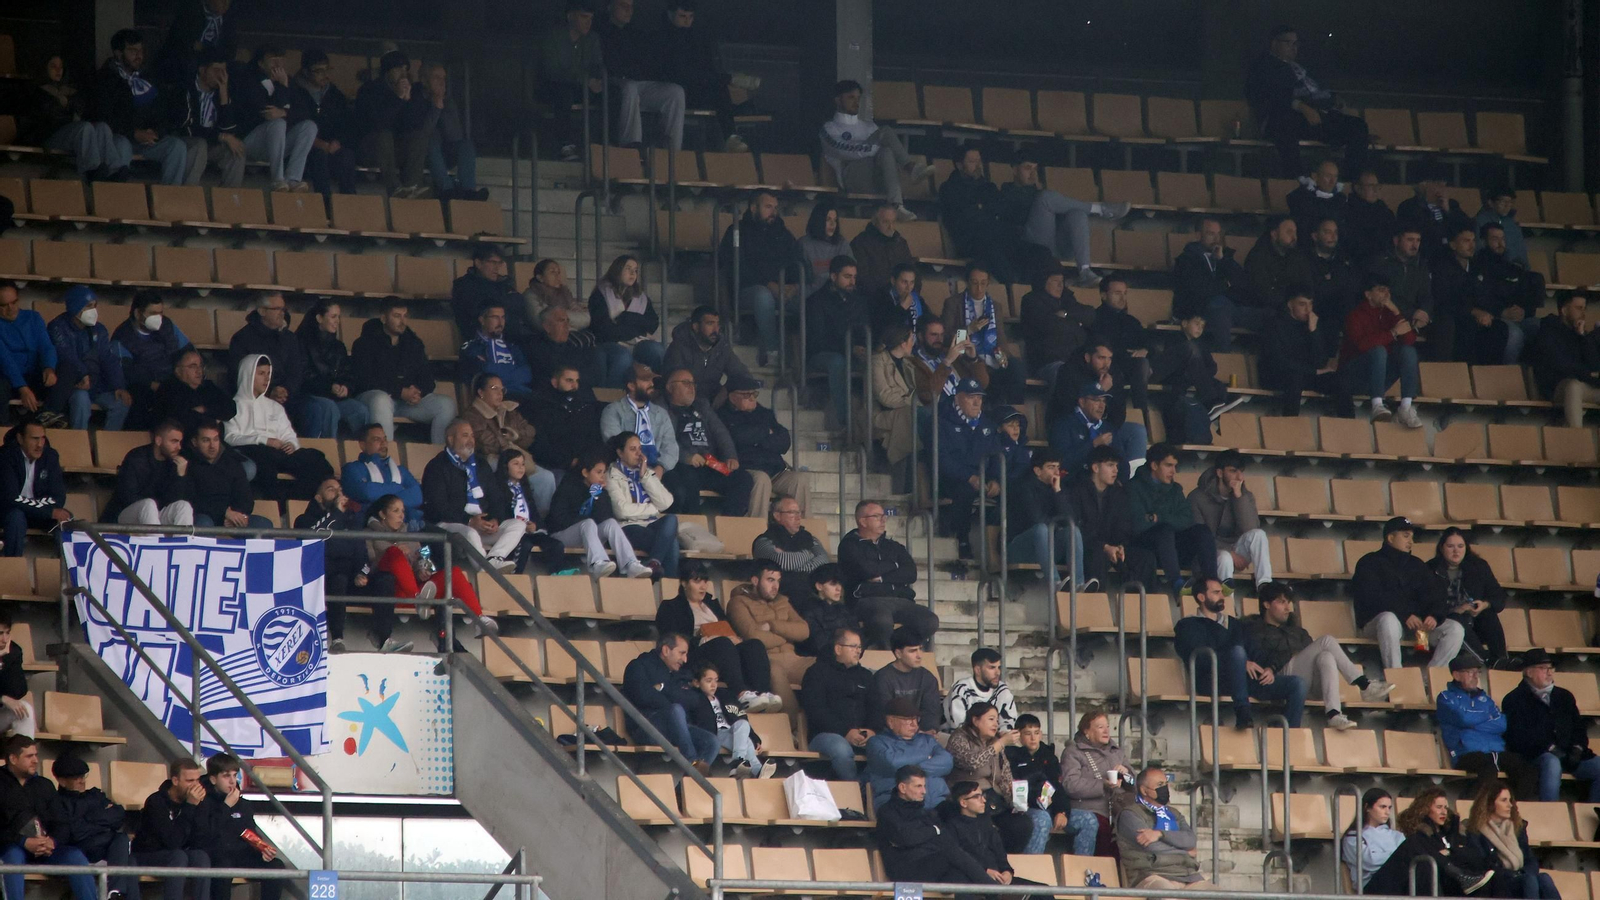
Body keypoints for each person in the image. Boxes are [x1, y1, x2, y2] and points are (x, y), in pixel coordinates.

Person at [1246, 581, 1394, 730]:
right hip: (1278, 677)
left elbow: (1310, 652)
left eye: (1288, 603)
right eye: (1281, 602)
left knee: (1326, 656)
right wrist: (1276, 664)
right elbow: (1260, 658)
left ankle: (1334, 714)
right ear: (1266, 605)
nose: (1287, 608)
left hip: (1308, 683)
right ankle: (1364, 685)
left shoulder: (1297, 631)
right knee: (1326, 641)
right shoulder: (1255, 629)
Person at [1176, 576, 1303, 729]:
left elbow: (1255, 651)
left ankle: (1289, 736)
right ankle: (1243, 713)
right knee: (1237, 652)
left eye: (1222, 593)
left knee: (1297, 684)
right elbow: (1196, 657)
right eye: (1216, 593)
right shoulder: (1188, 625)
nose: (1222, 596)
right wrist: (1238, 660)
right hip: (1213, 680)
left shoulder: (1235, 624)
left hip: (1247, 680)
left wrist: (1270, 668)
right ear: (1201, 597)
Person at [297, 476, 406, 654]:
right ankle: (337, 639)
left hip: (352, 582)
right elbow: (314, 537)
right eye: (331, 489)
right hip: (323, 582)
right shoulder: (304, 520)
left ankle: (384, 639)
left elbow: (362, 553)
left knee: (385, 579)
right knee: (338, 578)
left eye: (340, 490)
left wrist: (361, 573)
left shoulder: (351, 520)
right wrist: (337, 514)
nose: (338, 493)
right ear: (318, 498)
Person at [364, 493, 488, 648]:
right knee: (393, 554)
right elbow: (368, 563)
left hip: (416, 593)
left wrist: (423, 570)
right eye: (395, 511)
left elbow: (426, 561)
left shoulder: (412, 536)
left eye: (402, 511)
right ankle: (418, 600)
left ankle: (479, 618)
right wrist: (394, 549)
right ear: (382, 514)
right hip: (390, 591)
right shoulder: (367, 533)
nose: (401, 516)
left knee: (453, 573)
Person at [1244, 25, 1369, 177]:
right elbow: (1267, 96)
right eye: (1288, 43)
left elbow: (1315, 90)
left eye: (1296, 43)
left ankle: (1353, 181)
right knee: (1284, 123)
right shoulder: (1264, 66)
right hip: (1285, 118)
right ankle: (1297, 181)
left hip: (1315, 116)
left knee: (1357, 126)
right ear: (1274, 43)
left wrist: (1333, 98)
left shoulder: (1300, 67)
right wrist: (1301, 107)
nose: (1293, 48)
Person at [656, 560, 779, 710]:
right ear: (684, 583)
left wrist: (734, 638)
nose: (703, 586)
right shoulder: (671, 607)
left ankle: (762, 695)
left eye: (705, 581)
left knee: (754, 645)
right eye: (697, 581)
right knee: (722, 644)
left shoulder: (712, 604)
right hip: (695, 654)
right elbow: (672, 639)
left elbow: (726, 626)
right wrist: (703, 639)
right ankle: (742, 693)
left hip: (722, 649)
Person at [1353, 516, 1465, 668]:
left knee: (1455, 629)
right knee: (1389, 619)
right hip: (1377, 625)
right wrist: (1404, 614)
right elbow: (1372, 598)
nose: (1410, 541)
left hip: (1416, 628)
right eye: (1405, 536)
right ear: (1391, 537)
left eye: (1412, 537)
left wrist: (1433, 615)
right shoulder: (1369, 562)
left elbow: (1435, 594)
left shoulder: (1417, 565)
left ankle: (1429, 679)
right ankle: (1397, 676)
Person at [87, 30, 192, 186]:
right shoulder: (105, 78)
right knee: (122, 144)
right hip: (121, 136)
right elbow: (103, 117)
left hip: (147, 140)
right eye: (132, 50)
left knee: (176, 147)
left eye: (141, 50)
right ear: (118, 53)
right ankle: (121, 198)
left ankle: (169, 200)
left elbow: (163, 112)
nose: (139, 55)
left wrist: (157, 131)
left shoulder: (148, 78)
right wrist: (133, 133)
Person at [422, 419, 527, 573]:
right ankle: (487, 571)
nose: (471, 440)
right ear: (451, 439)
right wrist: (469, 520)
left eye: (472, 436)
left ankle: (494, 559)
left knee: (518, 525)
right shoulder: (437, 466)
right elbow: (437, 507)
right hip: (449, 525)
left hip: (481, 526)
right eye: (465, 435)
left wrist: (495, 519)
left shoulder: (481, 464)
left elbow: (496, 497)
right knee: (470, 532)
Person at [0, 736, 97, 900]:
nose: (35, 760)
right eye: (29, 756)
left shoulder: (44, 785)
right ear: (13, 759)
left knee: (75, 856)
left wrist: (52, 841)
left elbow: (62, 823)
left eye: (36, 755)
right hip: (12, 846)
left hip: (46, 848)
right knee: (13, 857)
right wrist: (24, 842)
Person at [222, 355, 334, 497]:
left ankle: (305, 501)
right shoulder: (233, 406)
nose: (267, 378)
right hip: (253, 451)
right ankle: (276, 504)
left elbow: (288, 434)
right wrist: (264, 440)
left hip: (279, 452)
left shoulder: (275, 406)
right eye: (261, 374)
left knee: (315, 458)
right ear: (247, 375)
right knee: (264, 460)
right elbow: (230, 437)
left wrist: (291, 444)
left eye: (269, 374)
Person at [946, 702, 1051, 854]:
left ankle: (1008, 865)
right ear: (975, 720)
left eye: (997, 720)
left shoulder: (995, 743)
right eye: (991, 719)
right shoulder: (960, 737)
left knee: (1022, 824)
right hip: (968, 800)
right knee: (985, 827)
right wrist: (1000, 744)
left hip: (995, 800)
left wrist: (1014, 801)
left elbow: (1005, 776)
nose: (996, 724)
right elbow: (972, 762)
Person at [1008, 159, 1130, 287]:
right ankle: (1100, 209)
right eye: (1028, 168)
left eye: (1035, 169)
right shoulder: (1006, 193)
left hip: (1059, 246)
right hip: (1033, 247)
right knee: (1045, 197)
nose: (1033, 174)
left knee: (1077, 214)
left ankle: (1084, 270)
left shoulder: (1038, 192)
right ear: (1015, 170)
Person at [350, 299, 458, 444]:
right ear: (383, 318)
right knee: (380, 400)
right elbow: (365, 379)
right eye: (396, 316)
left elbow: (427, 377)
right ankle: (385, 457)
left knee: (446, 405)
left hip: (407, 402)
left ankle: (439, 455)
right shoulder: (365, 343)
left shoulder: (414, 343)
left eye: (405, 315)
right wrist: (399, 390)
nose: (402, 321)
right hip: (374, 398)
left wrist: (417, 391)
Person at [656, 1, 758, 153]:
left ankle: (731, 134)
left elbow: (705, 68)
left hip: (699, 88)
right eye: (682, 16)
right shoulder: (663, 38)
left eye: (690, 17)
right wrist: (728, 79)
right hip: (675, 92)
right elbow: (680, 74)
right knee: (719, 89)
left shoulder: (696, 38)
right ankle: (730, 135)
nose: (686, 21)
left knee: (720, 91)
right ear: (670, 14)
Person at [821, 81, 930, 221]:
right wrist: (874, 147)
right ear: (837, 100)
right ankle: (910, 167)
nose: (856, 102)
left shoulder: (869, 126)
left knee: (887, 152)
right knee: (885, 134)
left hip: (878, 179)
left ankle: (896, 206)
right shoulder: (829, 128)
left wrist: (875, 147)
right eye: (851, 97)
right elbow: (843, 150)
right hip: (851, 177)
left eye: (858, 98)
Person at [1502, 650, 1600, 803]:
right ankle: (1550, 810)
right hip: (1537, 755)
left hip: (1571, 755)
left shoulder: (1564, 696)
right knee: (1552, 764)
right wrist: (1550, 748)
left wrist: (1577, 748)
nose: (1549, 673)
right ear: (1528, 672)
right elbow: (1519, 737)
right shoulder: (1514, 699)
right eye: (1543, 668)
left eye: (1550, 668)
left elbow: (1579, 728)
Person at [838, 501, 939, 648]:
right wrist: (894, 565)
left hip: (900, 599)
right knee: (882, 621)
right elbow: (867, 570)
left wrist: (881, 577)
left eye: (884, 516)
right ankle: (885, 656)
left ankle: (902, 648)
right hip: (866, 599)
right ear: (863, 521)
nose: (883, 520)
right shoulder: (849, 545)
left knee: (930, 621)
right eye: (877, 516)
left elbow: (910, 573)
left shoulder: (893, 546)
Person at [719, 191, 801, 367]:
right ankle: (773, 351)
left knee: (809, 299)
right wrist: (768, 284)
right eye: (768, 206)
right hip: (748, 291)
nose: (773, 211)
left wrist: (794, 286)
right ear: (753, 207)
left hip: (781, 291)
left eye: (775, 207)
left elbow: (797, 262)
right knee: (763, 296)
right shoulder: (737, 231)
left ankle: (805, 358)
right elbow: (736, 267)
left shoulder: (783, 233)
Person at [876, 766, 991, 888]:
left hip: (931, 865)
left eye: (924, 786)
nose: (924, 791)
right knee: (950, 855)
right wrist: (933, 830)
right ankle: (994, 890)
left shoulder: (924, 813)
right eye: (918, 786)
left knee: (960, 877)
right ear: (903, 788)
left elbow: (945, 840)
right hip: (905, 871)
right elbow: (906, 838)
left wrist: (926, 834)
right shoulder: (887, 812)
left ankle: (993, 891)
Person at [594, 0, 686, 152]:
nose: (629, 10)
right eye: (624, 6)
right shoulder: (599, 30)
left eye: (631, 6)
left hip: (638, 83)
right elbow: (605, 65)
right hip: (612, 84)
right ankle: (631, 146)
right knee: (629, 88)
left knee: (675, 92)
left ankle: (673, 152)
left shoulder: (635, 33)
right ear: (610, 6)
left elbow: (648, 63)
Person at [1365, 790, 1495, 898]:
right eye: (1382, 807)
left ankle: (1460, 875)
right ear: (1367, 808)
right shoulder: (1354, 836)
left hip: (1401, 880)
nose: (1387, 812)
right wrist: (1399, 854)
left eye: (1389, 808)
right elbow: (1370, 861)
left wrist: (1454, 828)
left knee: (1424, 862)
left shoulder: (1396, 835)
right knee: (1413, 845)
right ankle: (1458, 874)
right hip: (1375, 886)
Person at [661, 367, 754, 517]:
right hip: (682, 465)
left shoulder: (701, 406)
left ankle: (728, 525)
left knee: (743, 479)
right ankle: (694, 527)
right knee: (688, 481)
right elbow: (664, 440)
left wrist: (730, 456)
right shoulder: (661, 408)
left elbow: (720, 432)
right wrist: (686, 457)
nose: (691, 387)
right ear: (670, 387)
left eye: (693, 383)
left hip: (710, 463)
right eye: (685, 383)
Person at [621, 633, 717, 774]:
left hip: (678, 728)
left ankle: (684, 786)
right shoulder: (638, 666)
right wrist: (673, 701)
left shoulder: (680, 673)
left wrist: (663, 688)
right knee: (676, 710)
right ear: (666, 650)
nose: (685, 660)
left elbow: (694, 700)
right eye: (682, 653)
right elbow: (643, 696)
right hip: (645, 727)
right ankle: (692, 762)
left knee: (712, 741)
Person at [1127, 444, 1218, 593]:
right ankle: (1177, 583)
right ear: (1154, 465)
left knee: (1201, 530)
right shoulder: (1133, 488)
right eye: (1168, 465)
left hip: (1172, 548)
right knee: (1164, 530)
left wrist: (1158, 517)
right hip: (1145, 548)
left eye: (1175, 466)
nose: (1173, 471)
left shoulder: (1176, 489)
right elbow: (1137, 524)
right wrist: (1166, 521)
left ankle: (1212, 582)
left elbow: (1188, 519)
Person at [728, 560, 811, 721]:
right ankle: (791, 728)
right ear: (755, 580)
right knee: (775, 672)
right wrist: (788, 634)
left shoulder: (783, 601)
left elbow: (804, 631)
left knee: (825, 668)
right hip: (769, 659)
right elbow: (753, 637)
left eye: (778, 581)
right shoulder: (738, 602)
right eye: (770, 580)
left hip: (795, 660)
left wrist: (772, 625)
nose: (776, 586)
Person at [44, 754, 135, 900]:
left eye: (83, 776)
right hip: (80, 850)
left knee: (122, 840)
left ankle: (114, 894)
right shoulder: (57, 801)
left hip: (105, 847)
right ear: (62, 781)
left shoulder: (94, 794)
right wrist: (101, 819)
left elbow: (118, 815)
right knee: (124, 852)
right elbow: (74, 833)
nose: (81, 781)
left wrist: (87, 819)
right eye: (76, 778)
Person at [226, 293, 318, 437]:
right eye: (277, 309)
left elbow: (296, 370)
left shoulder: (290, 338)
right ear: (262, 311)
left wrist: (285, 390)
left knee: (318, 408)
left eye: (284, 309)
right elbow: (239, 374)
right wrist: (269, 392)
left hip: (288, 396)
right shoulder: (242, 338)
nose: (283, 313)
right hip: (256, 398)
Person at [1340, 270, 1424, 427]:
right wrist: (1392, 334)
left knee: (1409, 351)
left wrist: (1397, 312)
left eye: (1387, 290)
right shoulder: (1356, 315)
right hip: (1354, 376)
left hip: (1380, 377)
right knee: (1379, 351)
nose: (1386, 294)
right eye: (1380, 290)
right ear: (1368, 294)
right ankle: (1377, 404)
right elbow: (1362, 345)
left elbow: (1410, 339)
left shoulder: (1390, 313)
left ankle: (1406, 407)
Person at [463, 374, 556, 515]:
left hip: (513, 457)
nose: (500, 393)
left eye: (502, 389)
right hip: (488, 460)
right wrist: (507, 441)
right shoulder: (471, 415)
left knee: (546, 478)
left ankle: (540, 522)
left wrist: (515, 436)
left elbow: (530, 432)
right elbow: (485, 443)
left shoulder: (509, 411)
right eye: (494, 388)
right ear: (481, 392)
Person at [718, 374, 812, 515]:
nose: (752, 398)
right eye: (747, 395)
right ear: (733, 397)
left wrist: (757, 439)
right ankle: (757, 530)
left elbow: (784, 441)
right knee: (762, 480)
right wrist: (766, 432)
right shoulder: (722, 415)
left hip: (775, 471)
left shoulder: (764, 413)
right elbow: (737, 438)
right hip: (748, 469)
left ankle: (802, 530)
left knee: (800, 480)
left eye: (754, 394)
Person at [25, 54, 127, 180]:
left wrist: (69, 102)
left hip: (70, 133)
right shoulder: (37, 92)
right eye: (53, 66)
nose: (58, 70)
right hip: (50, 136)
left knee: (102, 127)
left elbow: (83, 108)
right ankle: (91, 170)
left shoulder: (71, 90)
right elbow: (49, 116)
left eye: (61, 67)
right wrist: (67, 104)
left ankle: (114, 171)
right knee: (84, 128)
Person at [1439, 652, 1528, 796]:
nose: (1475, 676)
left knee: (1526, 768)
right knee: (1488, 769)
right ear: (1456, 675)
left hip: (1495, 751)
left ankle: (1519, 812)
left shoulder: (1485, 699)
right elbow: (1463, 718)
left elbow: (1502, 724)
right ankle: (1476, 810)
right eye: (1470, 672)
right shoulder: (1446, 698)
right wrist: (1487, 716)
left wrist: (1473, 722)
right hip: (1465, 753)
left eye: (1477, 672)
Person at [199, 753, 285, 900]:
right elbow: (208, 834)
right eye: (226, 776)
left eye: (235, 775)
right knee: (223, 867)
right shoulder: (203, 801)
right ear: (213, 779)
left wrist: (261, 850)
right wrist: (226, 807)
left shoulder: (243, 803)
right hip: (217, 855)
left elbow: (249, 832)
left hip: (242, 854)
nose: (232, 781)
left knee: (276, 866)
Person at [1117, 765, 1216, 891]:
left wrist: (1160, 834)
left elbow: (1190, 840)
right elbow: (1152, 848)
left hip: (1188, 876)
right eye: (1160, 784)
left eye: (1166, 783)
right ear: (1144, 790)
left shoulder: (1174, 813)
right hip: (1152, 875)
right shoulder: (1130, 815)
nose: (1165, 788)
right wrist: (1185, 852)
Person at [233, 45, 317, 192]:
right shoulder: (249, 80)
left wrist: (284, 112)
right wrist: (282, 89)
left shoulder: (287, 81)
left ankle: (293, 178)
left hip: (278, 145)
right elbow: (267, 113)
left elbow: (304, 112)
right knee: (277, 123)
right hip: (250, 142)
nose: (277, 65)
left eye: (280, 60)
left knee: (309, 126)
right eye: (272, 60)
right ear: (261, 63)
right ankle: (277, 180)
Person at [46, 286, 128, 431]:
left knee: (121, 403)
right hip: (74, 386)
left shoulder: (99, 329)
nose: (93, 311)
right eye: (88, 306)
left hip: (98, 386)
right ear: (75, 306)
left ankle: (106, 445)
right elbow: (66, 354)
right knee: (81, 399)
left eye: (94, 306)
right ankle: (79, 441)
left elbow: (108, 358)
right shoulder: (57, 327)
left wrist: (118, 385)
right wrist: (83, 373)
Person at [131, 758, 213, 900]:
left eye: (197, 780)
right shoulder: (156, 802)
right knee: (177, 856)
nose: (195, 786)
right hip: (148, 853)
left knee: (201, 856)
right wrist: (190, 806)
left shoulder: (198, 801)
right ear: (175, 781)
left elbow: (200, 839)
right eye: (189, 781)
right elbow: (172, 841)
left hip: (178, 853)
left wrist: (198, 808)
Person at [805, 255, 872, 429]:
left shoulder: (859, 300)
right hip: (826, 355)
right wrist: (851, 348)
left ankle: (870, 425)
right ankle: (846, 424)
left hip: (854, 353)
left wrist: (865, 348)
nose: (852, 281)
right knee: (838, 362)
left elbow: (864, 330)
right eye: (847, 277)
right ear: (833, 276)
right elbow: (817, 340)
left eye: (854, 277)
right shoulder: (816, 301)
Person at [1070, 445, 1150, 590]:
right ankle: (1095, 606)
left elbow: (1124, 526)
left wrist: (1120, 546)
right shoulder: (1077, 491)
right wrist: (1104, 547)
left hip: (1113, 547)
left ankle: (1139, 608)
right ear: (1095, 468)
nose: (1116, 470)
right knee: (1097, 557)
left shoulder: (1119, 494)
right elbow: (1077, 529)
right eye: (1110, 465)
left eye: (1116, 466)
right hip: (1089, 548)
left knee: (1145, 558)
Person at [942, 263, 1025, 402]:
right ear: (967, 282)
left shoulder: (995, 306)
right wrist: (969, 329)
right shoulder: (953, 303)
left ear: (988, 284)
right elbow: (946, 337)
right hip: (967, 357)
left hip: (992, 356)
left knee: (1016, 368)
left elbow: (1000, 337)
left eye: (983, 283)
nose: (979, 288)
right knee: (986, 377)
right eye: (974, 283)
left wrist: (1002, 355)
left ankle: (1013, 414)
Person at [1187, 450, 1271, 587]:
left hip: (1238, 548)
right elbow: (1197, 536)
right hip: (1208, 553)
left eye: (1241, 471)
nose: (1239, 477)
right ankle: (1227, 604)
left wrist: (1238, 497)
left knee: (1259, 534)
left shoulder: (1245, 496)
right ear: (1220, 473)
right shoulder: (1197, 497)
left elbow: (1250, 529)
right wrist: (1230, 553)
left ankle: (1265, 585)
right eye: (1233, 471)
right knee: (1225, 558)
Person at [937, 378, 1000, 559]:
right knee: (963, 491)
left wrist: (996, 479)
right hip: (954, 479)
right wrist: (969, 477)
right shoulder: (943, 422)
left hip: (984, 478)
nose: (976, 402)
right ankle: (962, 539)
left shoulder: (988, 425)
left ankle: (1003, 545)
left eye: (979, 398)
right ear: (957, 398)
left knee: (1015, 489)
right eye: (970, 397)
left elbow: (997, 456)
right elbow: (942, 460)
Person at [799, 626, 874, 780]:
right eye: (853, 646)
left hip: (863, 735)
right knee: (841, 749)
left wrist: (872, 730)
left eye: (860, 647)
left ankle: (873, 792)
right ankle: (856, 792)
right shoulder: (816, 673)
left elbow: (877, 708)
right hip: (826, 735)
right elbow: (816, 711)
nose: (859, 651)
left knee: (887, 748)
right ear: (838, 649)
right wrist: (846, 731)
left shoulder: (866, 676)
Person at [1428, 528, 1509, 668]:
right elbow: (1427, 604)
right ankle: (1488, 661)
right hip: (1444, 623)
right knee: (1457, 620)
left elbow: (1499, 596)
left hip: (1474, 623)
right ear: (1441, 548)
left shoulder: (1478, 566)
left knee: (1488, 614)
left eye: (1460, 546)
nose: (1456, 551)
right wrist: (1458, 610)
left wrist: (1484, 604)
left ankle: (1501, 659)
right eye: (1450, 546)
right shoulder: (1429, 569)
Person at [1464, 781, 1560, 900]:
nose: (1510, 805)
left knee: (1544, 878)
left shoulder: (1517, 828)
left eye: (1510, 800)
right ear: (1490, 804)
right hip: (1498, 884)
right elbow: (1482, 865)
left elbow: (1530, 859)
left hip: (1521, 877)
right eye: (1504, 800)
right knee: (1529, 880)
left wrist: (1523, 872)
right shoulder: (1475, 832)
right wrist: (1515, 875)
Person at [534, 0, 604, 162]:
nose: (588, 22)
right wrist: (584, 79)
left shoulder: (593, 39)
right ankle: (565, 145)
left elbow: (597, 66)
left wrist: (596, 81)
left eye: (591, 18)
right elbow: (552, 71)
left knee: (612, 94)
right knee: (563, 93)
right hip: (552, 87)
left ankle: (608, 146)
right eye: (584, 17)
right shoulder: (553, 36)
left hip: (581, 88)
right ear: (570, 16)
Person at [1147, 312, 1232, 445]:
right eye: (1196, 324)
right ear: (1185, 323)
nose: (1199, 328)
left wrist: (1199, 375)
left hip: (1191, 378)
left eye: (1202, 326)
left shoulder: (1201, 345)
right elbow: (1171, 366)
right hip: (1172, 377)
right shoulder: (1174, 339)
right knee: (1191, 349)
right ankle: (1210, 402)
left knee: (1219, 385)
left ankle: (1215, 410)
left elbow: (1212, 367)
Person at [355, 50, 431, 198]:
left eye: (405, 69)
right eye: (397, 69)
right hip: (369, 149)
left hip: (395, 151)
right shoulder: (370, 90)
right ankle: (394, 187)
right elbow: (378, 125)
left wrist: (407, 101)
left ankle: (412, 185)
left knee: (419, 137)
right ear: (387, 72)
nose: (403, 74)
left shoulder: (410, 91)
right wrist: (397, 99)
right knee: (384, 135)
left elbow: (414, 126)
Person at [1258, 287, 1344, 417]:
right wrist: (1315, 371)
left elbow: (1320, 362)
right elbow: (1278, 361)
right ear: (1290, 304)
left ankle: (1347, 423)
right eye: (1302, 304)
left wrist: (1313, 331)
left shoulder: (1311, 325)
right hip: (1276, 375)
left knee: (1340, 381)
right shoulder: (1275, 325)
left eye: (1310, 304)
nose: (1308, 310)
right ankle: (1290, 424)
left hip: (1307, 375)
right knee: (1294, 378)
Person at [1434, 225, 1512, 365]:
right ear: (1453, 244)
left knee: (1499, 328)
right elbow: (1444, 301)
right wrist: (1473, 311)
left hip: (1477, 315)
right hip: (1453, 317)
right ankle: (1465, 373)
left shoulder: (1477, 266)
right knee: (1467, 327)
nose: (1472, 245)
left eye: (1473, 240)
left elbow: (1485, 296)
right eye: (1466, 241)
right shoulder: (1443, 268)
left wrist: (1489, 313)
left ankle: (1487, 375)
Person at [605, 431, 679, 577]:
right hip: (627, 526)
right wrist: (652, 508)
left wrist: (645, 476)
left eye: (639, 449)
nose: (638, 454)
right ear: (620, 453)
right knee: (672, 543)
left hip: (651, 524)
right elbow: (622, 510)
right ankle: (667, 583)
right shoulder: (611, 474)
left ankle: (653, 564)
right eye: (632, 449)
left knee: (671, 519)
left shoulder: (646, 472)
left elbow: (666, 502)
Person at [114, 291, 192, 429]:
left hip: (172, 380)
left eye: (160, 313)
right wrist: (152, 384)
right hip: (143, 386)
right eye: (153, 313)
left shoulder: (167, 325)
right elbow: (127, 371)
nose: (159, 318)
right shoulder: (122, 335)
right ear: (138, 313)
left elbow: (187, 351)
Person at [1061, 707, 1132, 858]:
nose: (1106, 731)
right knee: (1100, 827)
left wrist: (1126, 775)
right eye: (1100, 727)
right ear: (1087, 731)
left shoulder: (1117, 752)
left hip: (1117, 810)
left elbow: (1135, 783)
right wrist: (1102, 784)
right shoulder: (1073, 752)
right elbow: (1070, 784)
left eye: (1108, 726)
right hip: (1088, 809)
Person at [1174, 218, 1252, 351]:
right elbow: (1199, 290)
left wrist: (1223, 260)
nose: (1216, 238)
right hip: (1201, 309)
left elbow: (1242, 281)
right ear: (1198, 235)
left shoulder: (1224, 256)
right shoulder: (1187, 259)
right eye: (1211, 234)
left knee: (1270, 316)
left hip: (1231, 308)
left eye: (1218, 234)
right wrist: (1225, 285)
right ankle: (1225, 361)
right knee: (1220, 314)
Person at [295, 300, 369, 439]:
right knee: (329, 408)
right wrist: (329, 386)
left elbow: (348, 373)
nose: (337, 321)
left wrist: (346, 387)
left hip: (334, 397)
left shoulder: (339, 346)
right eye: (333, 316)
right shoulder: (300, 343)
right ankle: (329, 452)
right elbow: (303, 376)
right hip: (309, 396)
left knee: (360, 410)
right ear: (319, 318)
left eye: (339, 317)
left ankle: (357, 453)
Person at [940, 148, 1016, 283]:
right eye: (972, 161)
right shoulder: (949, 188)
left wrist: (980, 207)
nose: (978, 165)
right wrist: (984, 208)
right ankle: (1013, 287)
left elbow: (1002, 208)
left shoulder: (988, 186)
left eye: (979, 161)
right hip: (968, 242)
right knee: (992, 246)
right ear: (959, 165)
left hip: (994, 236)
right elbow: (963, 218)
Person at [684, 661, 770, 778]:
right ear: (697, 683)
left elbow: (740, 715)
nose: (713, 685)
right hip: (714, 733)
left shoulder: (724, 696)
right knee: (746, 742)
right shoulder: (694, 698)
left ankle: (738, 764)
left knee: (743, 724)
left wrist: (754, 736)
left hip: (730, 730)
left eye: (716, 680)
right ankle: (756, 769)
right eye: (709, 681)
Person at [589, 255, 665, 387]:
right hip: (609, 342)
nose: (632, 273)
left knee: (656, 349)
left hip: (637, 341)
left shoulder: (640, 296)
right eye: (628, 269)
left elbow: (652, 323)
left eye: (635, 270)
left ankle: (654, 390)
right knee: (622, 357)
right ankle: (614, 398)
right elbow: (605, 330)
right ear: (617, 270)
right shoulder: (601, 294)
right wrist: (639, 330)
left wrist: (627, 317)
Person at [1050, 381, 1147, 483]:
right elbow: (1062, 462)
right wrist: (1093, 444)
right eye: (1096, 400)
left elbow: (1123, 464)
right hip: (1075, 486)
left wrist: (1120, 486)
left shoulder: (1108, 428)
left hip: (1106, 489)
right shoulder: (1064, 425)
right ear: (1082, 402)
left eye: (1104, 401)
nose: (1101, 406)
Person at [1006, 449, 1080, 581]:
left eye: (1058, 467)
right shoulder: (1024, 488)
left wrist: (1057, 492)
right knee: (1041, 529)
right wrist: (1057, 526)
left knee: (1073, 531)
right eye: (1051, 467)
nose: (1056, 472)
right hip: (1020, 548)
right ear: (1037, 471)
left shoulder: (1059, 489)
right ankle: (1055, 582)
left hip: (1047, 549)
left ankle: (1078, 583)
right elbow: (1036, 520)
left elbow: (1070, 520)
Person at [292, 49, 358, 196]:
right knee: (318, 156)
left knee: (347, 156)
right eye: (318, 71)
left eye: (327, 69)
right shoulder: (294, 91)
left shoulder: (334, 94)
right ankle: (325, 206)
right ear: (306, 72)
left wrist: (337, 141)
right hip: (304, 152)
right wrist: (320, 144)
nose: (325, 75)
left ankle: (349, 203)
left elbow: (345, 124)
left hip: (331, 148)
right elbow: (294, 124)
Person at [102, 420, 193, 526]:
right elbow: (127, 497)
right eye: (174, 441)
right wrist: (156, 505)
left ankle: (182, 542)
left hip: (155, 515)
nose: (179, 447)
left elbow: (174, 500)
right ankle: (155, 542)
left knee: (183, 506)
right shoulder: (136, 457)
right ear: (158, 440)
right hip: (125, 513)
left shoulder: (175, 463)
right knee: (148, 504)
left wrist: (180, 476)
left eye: (180, 442)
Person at [866, 700, 954, 810]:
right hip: (899, 804)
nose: (915, 724)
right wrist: (927, 757)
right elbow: (892, 764)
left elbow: (947, 762)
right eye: (908, 720)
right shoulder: (877, 742)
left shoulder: (927, 740)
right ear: (891, 722)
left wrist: (911, 768)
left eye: (916, 719)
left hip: (938, 802)